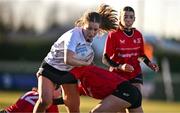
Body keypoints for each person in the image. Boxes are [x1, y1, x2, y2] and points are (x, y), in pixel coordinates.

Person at [33, 4, 118, 113]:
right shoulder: (74, 35)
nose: (92, 32)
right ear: (83, 25)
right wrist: (85, 63)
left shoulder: (90, 38)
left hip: (68, 72)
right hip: (50, 68)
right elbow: (67, 59)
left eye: (95, 29)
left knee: (74, 107)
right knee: (45, 101)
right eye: (89, 28)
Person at [102, 6, 159, 113]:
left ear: (134, 19)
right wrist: (120, 66)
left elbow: (141, 55)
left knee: (135, 100)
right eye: (125, 16)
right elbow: (105, 59)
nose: (128, 19)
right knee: (121, 107)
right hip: (117, 75)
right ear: (120, 18)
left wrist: (149, 64)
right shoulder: (113, 35)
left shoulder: (138, 35)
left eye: (131, 17)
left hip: (135, 74)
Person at [70, 65, 143, 113]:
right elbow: (70, 96)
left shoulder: (86, 69)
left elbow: (67, 77)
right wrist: (58, 101)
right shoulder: (84, 84)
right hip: (130, 92)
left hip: (125, 91)